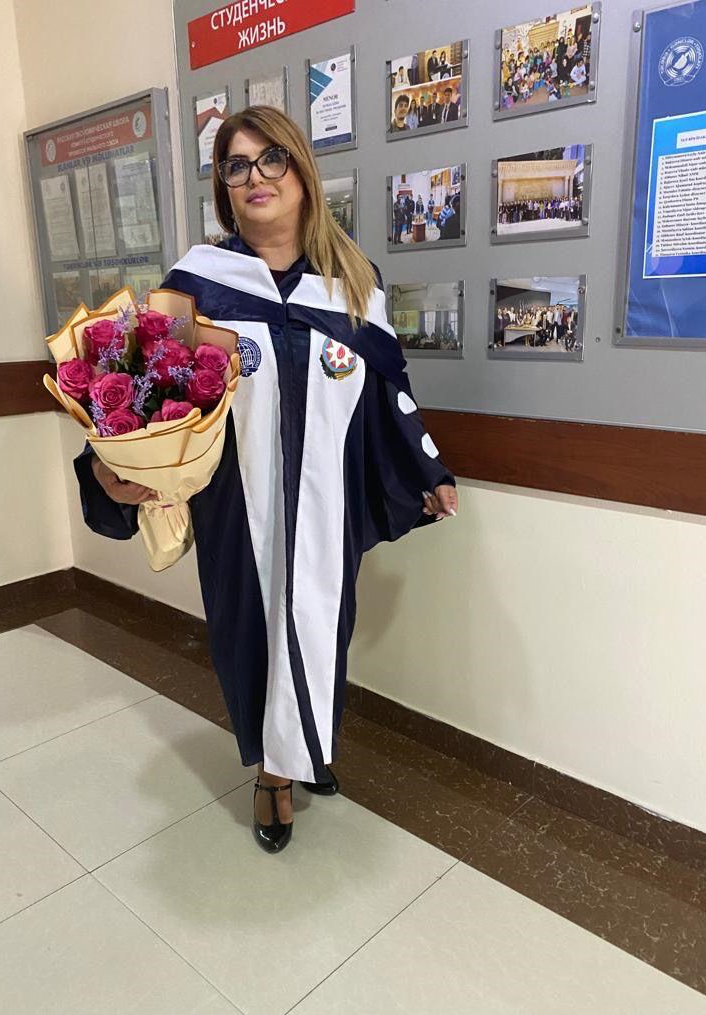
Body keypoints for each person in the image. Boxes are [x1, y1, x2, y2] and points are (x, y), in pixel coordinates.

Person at [74, 106, 458, 855]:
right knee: (250, 631)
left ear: (301, 169)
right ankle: (272, 774)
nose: (256, 177)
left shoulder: (353, 283)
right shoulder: (197, 285)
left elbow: (389, 389)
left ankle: (304, 747)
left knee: (320, 626)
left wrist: (426, 468)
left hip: (325, 503)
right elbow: (141, 394)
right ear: (224, 187)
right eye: (236, 165)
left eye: (270, 158)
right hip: (235, 504)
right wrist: (108, 470)